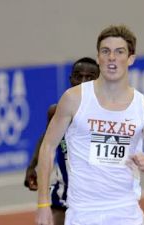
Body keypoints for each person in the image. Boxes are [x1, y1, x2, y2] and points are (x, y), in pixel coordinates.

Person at [36, 25, 144, 225]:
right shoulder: (74, 98)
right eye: (106, 51)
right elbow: (47, 147)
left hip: (126, 214)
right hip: (82, 214)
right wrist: (43, 205)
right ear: (98, 57)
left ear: (131, 58)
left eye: (119, 52)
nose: (112, 57)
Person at [24, 57, 99, 225]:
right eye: (78, 76)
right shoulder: (56, 111)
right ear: (70, 78)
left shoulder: (105, 114)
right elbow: (47, 138)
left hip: (96, 191)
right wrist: (32, 166)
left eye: (90, 77)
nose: (83, 82)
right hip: (64, 189)